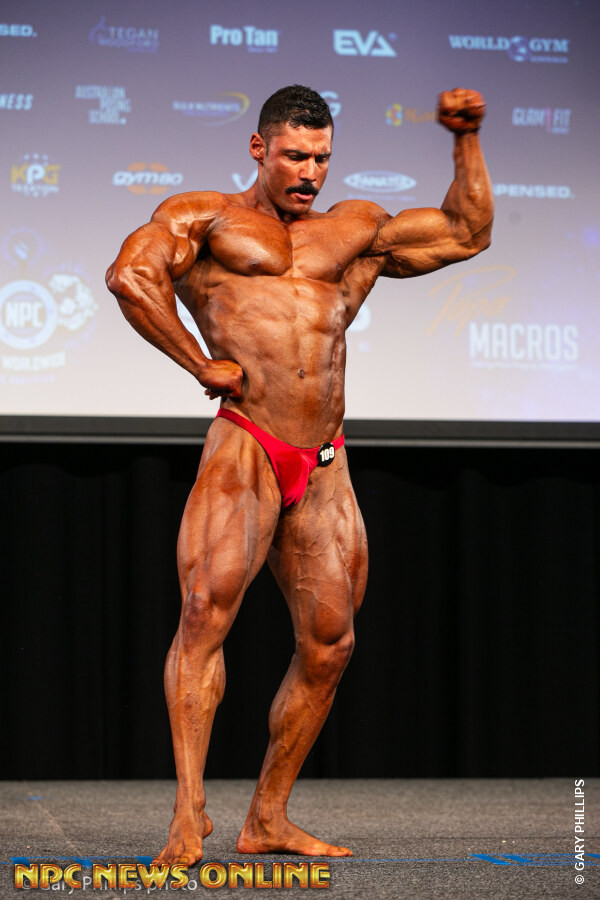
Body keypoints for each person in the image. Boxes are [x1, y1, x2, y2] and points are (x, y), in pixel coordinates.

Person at [106, 84, 493, 864]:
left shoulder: (355, 229)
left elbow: (466, 232)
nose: (310, 172)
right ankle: (187, 815)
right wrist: (198, 362)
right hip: (246, 443)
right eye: (294, 156)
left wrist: (466, 140)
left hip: (323, 460)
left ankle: (267, 819)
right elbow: (130, 278)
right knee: (203, 615)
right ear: (259, 148)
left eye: (321, 157)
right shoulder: (205, 218)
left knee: (330, 644)